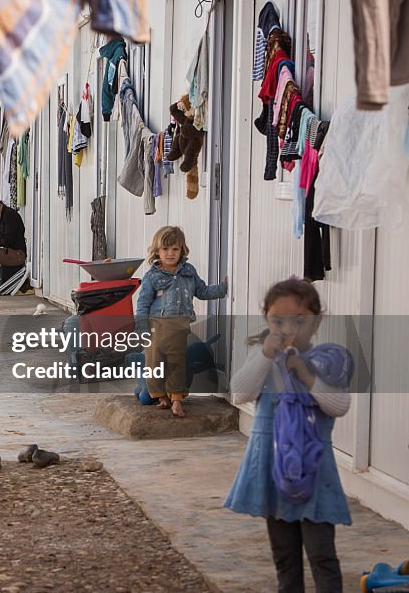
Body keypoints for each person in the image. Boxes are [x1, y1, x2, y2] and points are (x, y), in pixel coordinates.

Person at [224, 278, 351, 593]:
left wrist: (305, 374)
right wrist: (267, 355)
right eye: (277, 321)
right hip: (272, 465)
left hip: (313, 470)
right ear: (266, 318)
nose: (287, 329)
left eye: (299, 321)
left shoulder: (325, 361)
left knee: (322, 555)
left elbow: (339, 405)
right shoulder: (262, 357)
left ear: (316, 321)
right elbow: (240, 393)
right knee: (284, 557)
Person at [134, 226, 227, 418]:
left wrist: (222, 288)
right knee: (154, 362)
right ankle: (161, 397)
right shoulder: (152, 276)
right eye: (165, 249)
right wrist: (142, 327)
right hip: (155, 325)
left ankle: (176, 399)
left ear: (182, 250)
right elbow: (143, 303)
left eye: (175, 249)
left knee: (177, 363)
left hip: (179, 325)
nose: (170, 254)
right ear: (157, 251)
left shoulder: (189, 271)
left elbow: (201, 291)